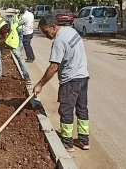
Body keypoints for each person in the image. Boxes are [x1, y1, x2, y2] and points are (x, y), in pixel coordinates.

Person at [33, 15, 90, 152]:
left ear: (54, 27)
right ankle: (84, 141)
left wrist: (40, 84)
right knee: (82, 109)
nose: (46, 35)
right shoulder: (71, 31)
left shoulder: (59, 41)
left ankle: (67, 143)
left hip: (70, 81)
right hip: (83, 78)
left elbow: (53, 67)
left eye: (46, 31)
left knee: (66, 111)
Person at [0, 10, 31, 82]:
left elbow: (4, 39)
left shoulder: (3, 24)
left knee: (18, 55)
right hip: (0, 38)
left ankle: (26, 75)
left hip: (10, 37)